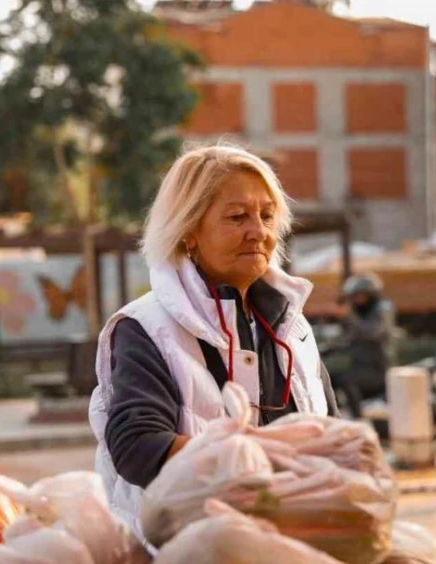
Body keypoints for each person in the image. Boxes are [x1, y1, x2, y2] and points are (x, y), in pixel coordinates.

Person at [89, 145, 340, 535]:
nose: (258, 232)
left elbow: (331, 433)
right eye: (237, 217)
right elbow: (138, 448)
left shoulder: (294, 327)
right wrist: (253, 459)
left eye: (268, 216)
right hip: (188, 552)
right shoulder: (145, 327)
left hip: (294, 543)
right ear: (188, 231)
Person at [329, 272, 396, 422]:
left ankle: (358, 421)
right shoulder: (359, 316)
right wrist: (326, 349)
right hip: (360, 368)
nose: (356, 301)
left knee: (348, 380)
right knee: (328, 377)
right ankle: (331, 418)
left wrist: (348, 317)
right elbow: (348, 340)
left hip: (377, 369)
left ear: (372, 295)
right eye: (353, 297)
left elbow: (374, 333)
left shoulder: (383, 309)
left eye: (359, 296)